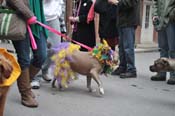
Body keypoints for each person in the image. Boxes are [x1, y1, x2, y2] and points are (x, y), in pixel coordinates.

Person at [7, 0, 48, 107]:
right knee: (24, 58)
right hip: (19, 19)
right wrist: (28, 15)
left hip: (37, 19)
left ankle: (25, 84)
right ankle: (25, 93)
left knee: (41, 55)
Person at [30, 0, 65, 89]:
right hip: (39, 17)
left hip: (54, 18)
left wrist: (62, 25)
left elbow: (61, 4)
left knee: (55, 49)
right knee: (39, 50)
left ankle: (44, 70)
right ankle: (35, 77)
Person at [108, 0, 140, 78]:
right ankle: (122, 67)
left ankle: (131, 69)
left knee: (128, 47)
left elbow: (130, 3)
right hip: (122, 21)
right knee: (121, 46)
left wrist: (116, 2)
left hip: (129, 21)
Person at [150, 0, 175, 85]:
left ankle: (173, 75)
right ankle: (161, 72)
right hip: (161, 20)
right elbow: (155, 2)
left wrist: (172, 14)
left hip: (172, 20)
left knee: (173, 49)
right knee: (163, 48)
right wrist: (155, 15)